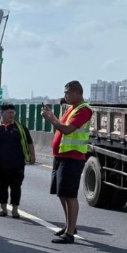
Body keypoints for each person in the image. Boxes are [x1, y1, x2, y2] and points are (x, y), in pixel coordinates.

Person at [40, 81, 94, 244]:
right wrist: (54, 117)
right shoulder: (72, 108)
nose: (65, 96)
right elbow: (63, 126)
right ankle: (69, 225)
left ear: (77, 92)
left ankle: (70, 232)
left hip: (72, 157)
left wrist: (51, 119)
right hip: (61, 156)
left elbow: (67, 129)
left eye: (68, 93)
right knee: (61, 193)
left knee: (70, 195)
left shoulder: (84, 110)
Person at [0, 103, 34, 218]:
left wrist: (32, 157)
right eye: (9, 112)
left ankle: (15, 209)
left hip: (17, 164)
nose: (11, 114)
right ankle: (3, 208)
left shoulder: (20, 128)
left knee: (16, 186)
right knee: (1, 186)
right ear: (2, 113)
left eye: (13, 112)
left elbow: (30, 143)